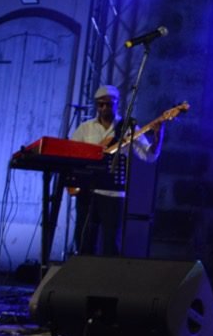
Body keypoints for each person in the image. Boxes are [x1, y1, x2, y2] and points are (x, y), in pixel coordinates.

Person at [69, 84, 163, 256]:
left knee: (111, 243)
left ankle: (107, 273)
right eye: (100, 104)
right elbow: (72, 154)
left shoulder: (128, 128)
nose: (104, 108)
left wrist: (158, 136)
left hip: (113, 193)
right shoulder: (85, 127)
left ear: (117, 103)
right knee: (84, 241)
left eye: (108, 104)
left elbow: (148, 156)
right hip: (88, 192)